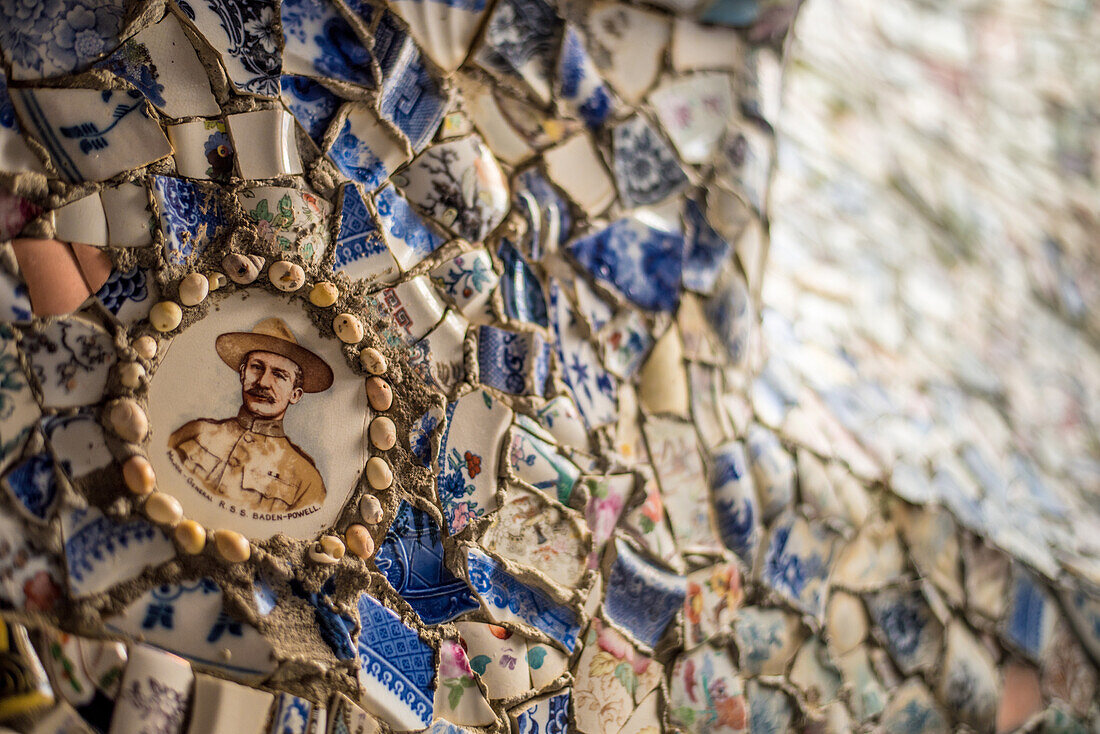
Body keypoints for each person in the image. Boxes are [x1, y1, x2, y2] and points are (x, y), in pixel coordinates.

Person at [167, 317, 334, 513]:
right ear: (242, 374)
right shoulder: (195, 433)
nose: (263, 382)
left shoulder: (307, 482)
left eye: (279, 375)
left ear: (295, 394)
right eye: (257, 367)